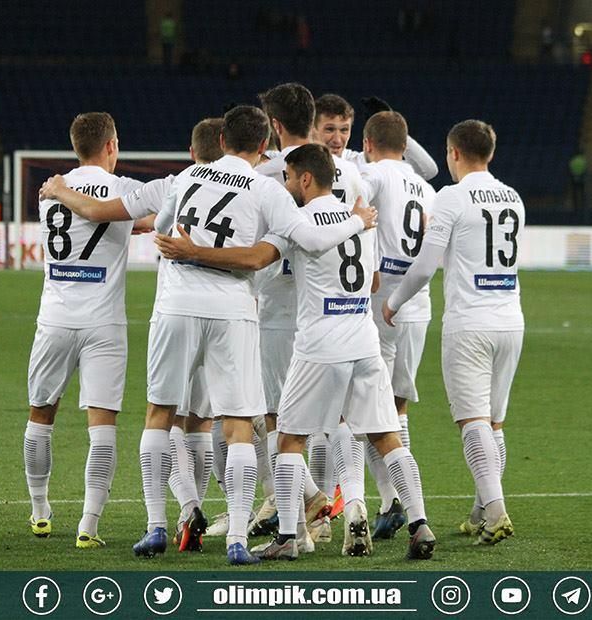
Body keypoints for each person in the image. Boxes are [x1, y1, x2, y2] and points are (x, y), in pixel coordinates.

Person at [156, 144, 435, 561]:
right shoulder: (364, 219)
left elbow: (253, 259)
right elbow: (373, 284)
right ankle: (420, 524)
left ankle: (288, 537)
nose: (285, 185)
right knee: (386, 436)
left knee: (288, 439)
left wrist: (192, 251)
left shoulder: (297, 221)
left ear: (305, 178)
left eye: (287, 177)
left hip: (319, 344)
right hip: (363, 339)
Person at [39, 117, 225, 555]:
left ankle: (171, 515)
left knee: (162, 416)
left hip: (166, 311)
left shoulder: (170, 184)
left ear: (192, 151)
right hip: (232, 316)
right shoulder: (258, 187)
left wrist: (61, 190)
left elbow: (104, 214)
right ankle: (246, 521)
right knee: (220, 422)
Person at [383, 120, 523, 545]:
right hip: (511, 320)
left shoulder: (451, 197)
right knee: (494, 423)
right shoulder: (513, 198)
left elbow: (425, 266)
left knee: (473, 420)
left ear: (453, 153)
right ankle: (481, 510)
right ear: (491, 153)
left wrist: (393, 302)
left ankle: (497, 510)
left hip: (470, 323)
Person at [252, 82, 367, 543]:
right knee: (339, 418)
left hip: (281, 310)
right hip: (339, 310)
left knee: (282, 422)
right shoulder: (348, 174)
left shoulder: (265, 176)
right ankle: (347, 502)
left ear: (275, 126)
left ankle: (303, 519)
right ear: (313, 118)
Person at [24, 112, 143, 549]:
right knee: (103, 426)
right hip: (103, 323)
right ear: (111, 145)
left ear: (77, 146)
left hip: (53, 319)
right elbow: (143, 220)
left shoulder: (50, 192)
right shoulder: (125, 191)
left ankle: (40, 512)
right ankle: (88, 526)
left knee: (41, 416)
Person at [360, 111, 436, 541]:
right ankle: (395, 503)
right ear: (405, 146)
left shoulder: (373, 176)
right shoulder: (426, 188)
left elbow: (356, 212)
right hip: (417, 307)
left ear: (368, 144)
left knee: (366, 409)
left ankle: (391, 500)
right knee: (397, 405)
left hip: (380, 301)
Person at [313, 94, 439, 181]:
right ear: (313, 129)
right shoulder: (299, 162)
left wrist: (394, 130)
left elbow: (427, 170)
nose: (337, 139)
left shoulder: (361, 163)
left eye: (344, 130)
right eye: (329, 129)